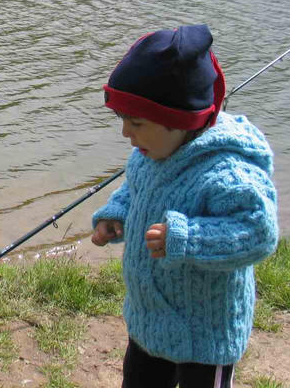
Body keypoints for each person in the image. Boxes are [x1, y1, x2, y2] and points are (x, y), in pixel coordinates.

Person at [90, 24, 279, 388]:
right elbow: (136, 190)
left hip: (206, 337)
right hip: (149, 323)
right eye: (122, 120)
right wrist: (118, 213)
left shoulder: (226, 171)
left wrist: (189, 237)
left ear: (179, 121)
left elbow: (258, 233)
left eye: (136, 122)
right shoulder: (148, 153)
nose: (126, 133)